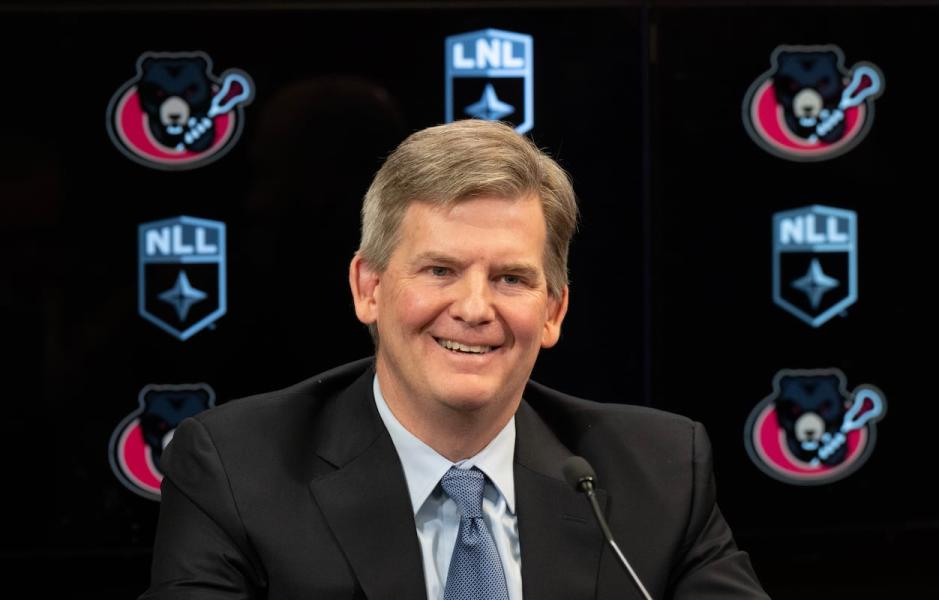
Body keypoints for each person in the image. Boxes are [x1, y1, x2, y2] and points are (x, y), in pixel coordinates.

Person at [141, 119, 768, 599]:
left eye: (511, 279)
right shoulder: (235, 472)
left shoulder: (658, 475)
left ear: (553, 311)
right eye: (440, 270)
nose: (474, 307)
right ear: (369, 288)